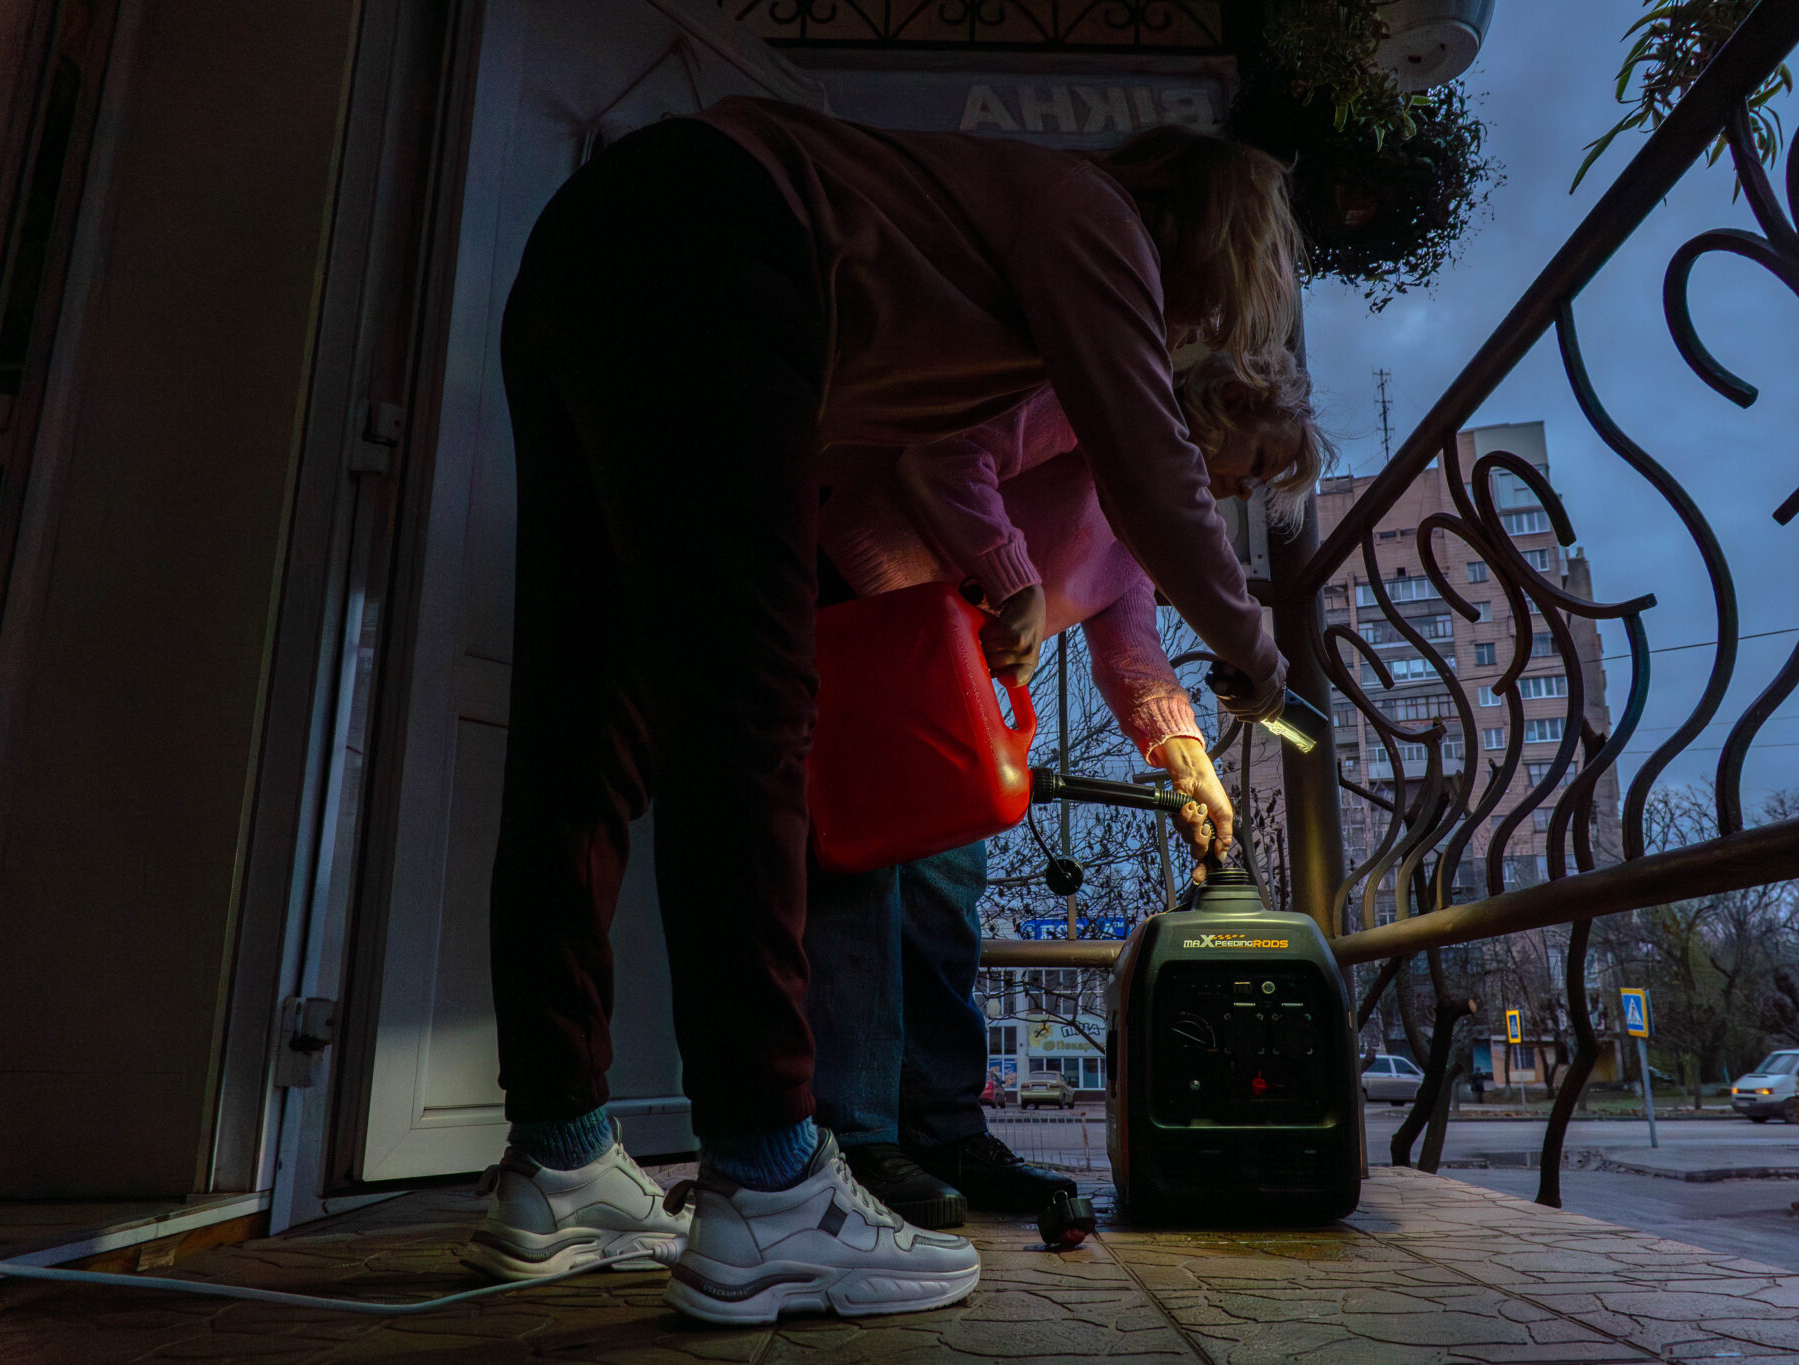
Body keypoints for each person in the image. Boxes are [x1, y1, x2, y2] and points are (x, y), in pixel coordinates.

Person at [461, 96, 1303, 1325]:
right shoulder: (1096, 222)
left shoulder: (1032, 229)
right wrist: (1261, 658)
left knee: (584, 728)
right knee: (747, 728)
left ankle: (560, 1157)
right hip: (714, 233)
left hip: (592, 246)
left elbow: (1132, 595)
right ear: (1219, 238)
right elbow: (1149, 469)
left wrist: (1184, 738)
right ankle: (769, 1186)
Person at [803, 356, 1330, 1227]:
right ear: (1230, 401)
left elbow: (1130, 649)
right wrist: (1015, 581)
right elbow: (943, 456)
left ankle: (942, 1131)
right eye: (1260, 460)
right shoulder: (1093, 404)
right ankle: (855, 1138)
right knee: (860, 874)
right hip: (862, 596)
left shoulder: (1139, 530)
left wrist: (1187, 758)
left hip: (942, 660)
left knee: (948, 890)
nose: (1247, 488)